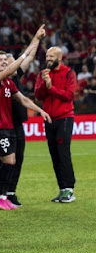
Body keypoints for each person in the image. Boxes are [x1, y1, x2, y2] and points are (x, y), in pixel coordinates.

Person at [0, 50, 51, 210]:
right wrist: (23, 55)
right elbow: (9, 69)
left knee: (11, 161)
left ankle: (2, 196)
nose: (4, 62)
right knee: (7, 161)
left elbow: (23, 99)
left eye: (5, 60)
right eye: (0, 60)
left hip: (8, 128)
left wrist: (40, 110)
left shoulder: (9, 82)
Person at [0, 25, 44, 207]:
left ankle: (8, 193)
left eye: (8, 60)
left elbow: (29, 57)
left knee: (15, 158)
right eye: (4, 60)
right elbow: (24, 57)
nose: (7, 63)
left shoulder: (12, 80)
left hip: (16, 125)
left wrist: (36, 40)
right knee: (3, 159)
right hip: (1, 126)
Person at [34, 46, 78, 203]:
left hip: (64, 117)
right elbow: (38, 95)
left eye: (52, 56)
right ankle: (62, 189)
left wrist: (51, 87)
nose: (48, 59)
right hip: (49, 118)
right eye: (47, 56)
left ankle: (70, 189)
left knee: (63, 151)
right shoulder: (42, 73)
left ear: (60, 58)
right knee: (54, 154)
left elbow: (69, 95)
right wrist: (44, 85)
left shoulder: (68, 73)